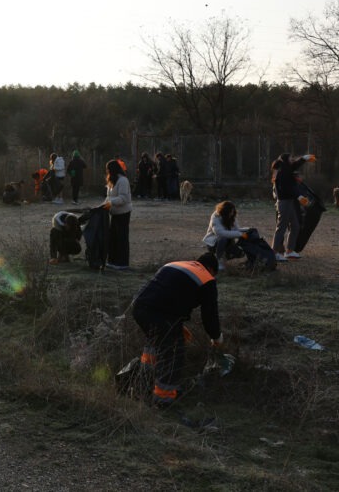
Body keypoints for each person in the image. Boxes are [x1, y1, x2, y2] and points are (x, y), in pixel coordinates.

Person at [131, 252, 222, 407]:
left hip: (139, 307)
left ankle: (143, 383)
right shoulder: (207, 279)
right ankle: (163, 400)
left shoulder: (174, 264)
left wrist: (176, 324)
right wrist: (216, 337)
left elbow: (168, 295)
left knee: (155, 344)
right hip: (161, 314)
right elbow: (209, 315)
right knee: (173, 352)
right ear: (211, 269)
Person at [271, 152, 315, 261]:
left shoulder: (286, 169)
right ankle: (274, 252)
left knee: (295, 225)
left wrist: (304, 158)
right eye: (290, 158)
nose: (292, 160)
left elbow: (295, 165)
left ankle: (289, 251)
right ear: (285, 160)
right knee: (281, 228)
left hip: (289, 202)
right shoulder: (282, 171)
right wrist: (298, 196)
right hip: (284, 203)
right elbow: (285, 189)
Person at [103, 159, 132, 271]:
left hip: (123, 213)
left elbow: (124, 198)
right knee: (113, 238)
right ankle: (113, 261)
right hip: (114, 213)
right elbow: (108, 197)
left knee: (122, 238)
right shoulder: (112, 181)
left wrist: (110, 202)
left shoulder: (123, 181)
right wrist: (104, 204)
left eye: (109, 170)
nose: (107, 172)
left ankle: (122, 262)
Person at [201, 201, 246, 272]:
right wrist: (240, 234)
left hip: (228, 242)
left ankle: (224, 257)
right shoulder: (215, 217)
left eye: (233, 211)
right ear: (225, 211)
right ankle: (218, 261)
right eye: (230, 212)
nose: (232, 213)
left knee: (240, 253)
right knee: (223, 239)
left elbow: (236, 230)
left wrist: (247, 231)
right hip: (214, 244)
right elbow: (220, 233)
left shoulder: (232, 217)